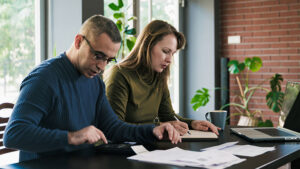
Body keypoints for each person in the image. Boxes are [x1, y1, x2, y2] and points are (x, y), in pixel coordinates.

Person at [3, 15, 181, 162]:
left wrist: (152, 131)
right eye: (98, 56)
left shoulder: (94, 81)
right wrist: (72, 137)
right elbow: (13, 134)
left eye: (108, 60)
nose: (102, 67)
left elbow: (113, 127)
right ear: (79, 41)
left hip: (81, 163)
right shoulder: (44, 79)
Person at [104, 20, 220, 136]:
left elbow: (168, 116)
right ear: (147, 46)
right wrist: (157, 127)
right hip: (126, 149)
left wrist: (193, 123)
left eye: (172, 53)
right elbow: (114, 128)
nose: (169, 59)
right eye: (165, 51)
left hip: (151, 145)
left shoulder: (159, 75)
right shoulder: (119, 74)